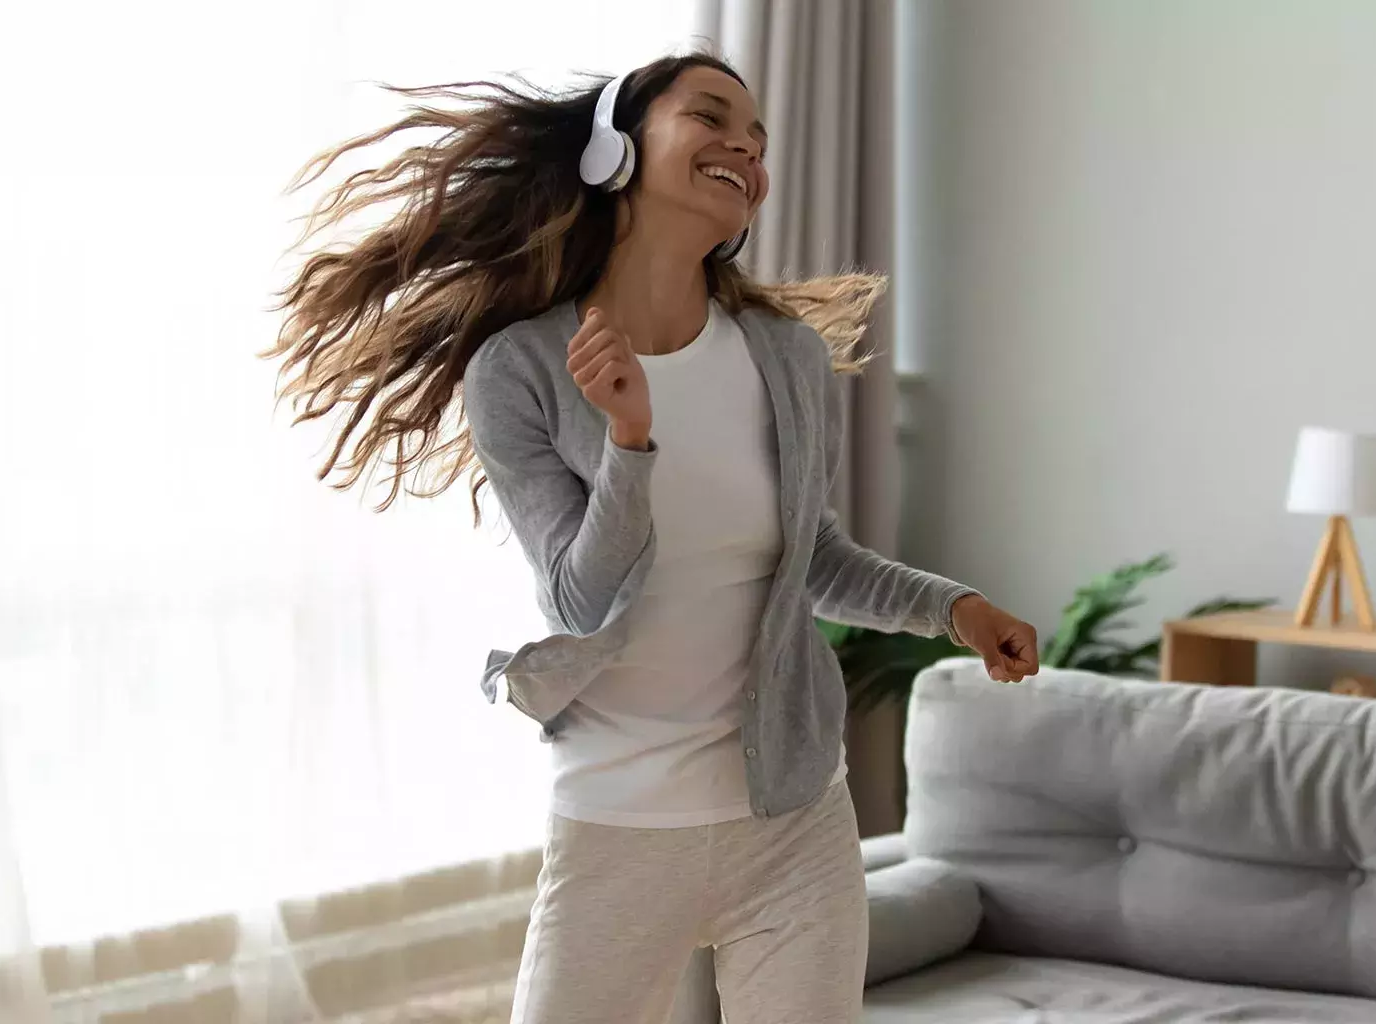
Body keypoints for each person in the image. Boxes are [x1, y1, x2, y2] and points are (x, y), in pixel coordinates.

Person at [265, 51, 1039, 1024]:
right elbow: (578, 599)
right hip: (620, 821)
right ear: (612, 152)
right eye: (712, 118)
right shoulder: (521, 368)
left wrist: (954, 608)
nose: (745, 151)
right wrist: (630, 439)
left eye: (757, 143)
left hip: (793, 819)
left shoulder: (785, 356)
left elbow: (815, 558)